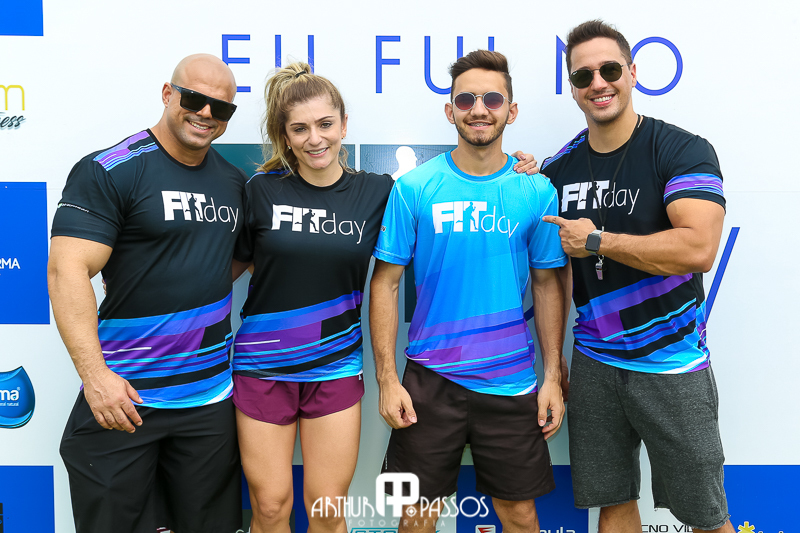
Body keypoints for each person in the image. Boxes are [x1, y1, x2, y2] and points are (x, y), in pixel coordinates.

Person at [232, 61, 541, 533]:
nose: (315, 138)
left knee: (327, 511)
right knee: (271, 507)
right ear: (285, 136)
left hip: (335, 367)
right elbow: (229, 269)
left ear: (344, 126)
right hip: (262, 367)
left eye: (325, 124)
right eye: (299, 128)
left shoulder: (381, 192)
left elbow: (465, 191)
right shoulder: (259, 191)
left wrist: (523, 167)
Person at [541, 20, 733, 533]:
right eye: (583, 76)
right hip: (595, 363)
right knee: (613, 504)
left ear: (632, 72)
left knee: (706, 516)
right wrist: (554, 366)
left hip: (673, 363)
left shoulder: (681, 149)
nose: (598, 83)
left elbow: (698, 248)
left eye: (609, 69)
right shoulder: (557, 171)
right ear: (572, 87)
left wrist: (598, 241)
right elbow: (551, 277)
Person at [370, 50, 568, 533]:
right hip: (429, 380)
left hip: (511, 381)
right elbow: (386, 282)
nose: (479, 109)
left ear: (511, 111)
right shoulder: (415, 187)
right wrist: (388, 379)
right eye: (466, 100)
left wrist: (552, 376)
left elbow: (547, 284)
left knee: (520, 516)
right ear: (450, 110)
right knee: (417, 517)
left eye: (492, 99)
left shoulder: (536, 191)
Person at [48, 54, 246, 533]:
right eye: (194, 98)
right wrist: (95, 377)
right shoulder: (110, 169)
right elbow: (66, 269)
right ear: (167, 94)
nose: (206, 114)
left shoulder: (233, 182)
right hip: (124, 399)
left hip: (208, 403)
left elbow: (233, 261)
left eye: (221, 108)